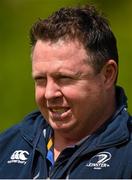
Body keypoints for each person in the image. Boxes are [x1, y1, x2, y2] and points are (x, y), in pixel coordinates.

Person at [0, 4, 132, 179]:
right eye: (40, 79)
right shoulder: (7, 147)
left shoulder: (127, 157)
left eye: (64, 78)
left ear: (107, 74)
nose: (49, 93)